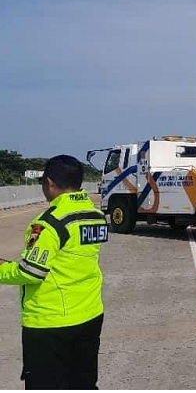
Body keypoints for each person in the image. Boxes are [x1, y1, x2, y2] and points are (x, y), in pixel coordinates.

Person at [0, 155, 108, 389]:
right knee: (83, 383)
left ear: (49, 183)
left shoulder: (49, 223)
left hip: (50, 323)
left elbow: (30, 272)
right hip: (90, 315)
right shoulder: (95, 216)